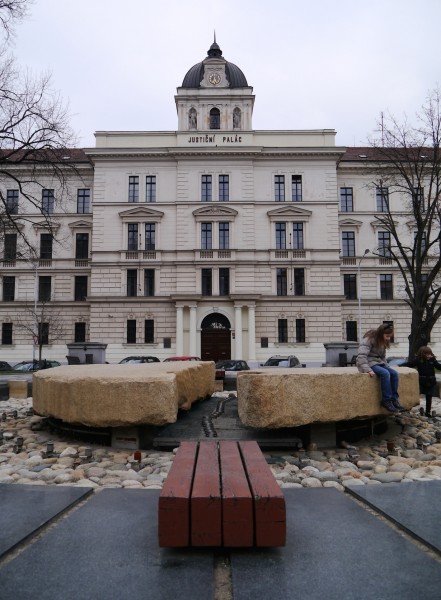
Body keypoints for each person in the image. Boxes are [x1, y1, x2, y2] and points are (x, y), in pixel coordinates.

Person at [356, 324, 405, 413]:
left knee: (394, 374)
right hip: (368, 363)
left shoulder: (382, 341)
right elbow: (361, 356)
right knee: (385, 373)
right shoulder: (369, 340)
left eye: (390, 337)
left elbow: (382, 357)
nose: (388, 339)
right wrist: (368, 370)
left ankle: (394, 400)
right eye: (387, 336)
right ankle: (386, 400)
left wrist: (386, 365)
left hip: (378, 363)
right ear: (381, 333)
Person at [402, 346, 441, 417]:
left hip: (430, 381)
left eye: (430, 354)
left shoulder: (432, 360)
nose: (429, 356)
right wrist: (399, 365)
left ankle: (428, 412)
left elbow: (438, 367)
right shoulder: (418, 360)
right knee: (416, 395)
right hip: (421, 381)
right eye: (427, 354)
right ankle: (408, 409)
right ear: (422, 354)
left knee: (429, 396)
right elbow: (409, 364)